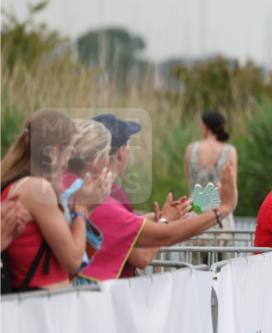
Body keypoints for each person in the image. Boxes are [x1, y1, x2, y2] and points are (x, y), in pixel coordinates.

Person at [65, 119, 238, 283]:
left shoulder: (65, 187)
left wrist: (160, 218)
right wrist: (223, 209)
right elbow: (150, 249)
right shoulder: (105, 198)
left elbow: (123, 226)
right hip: (91, 296)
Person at [0, 109, 110, 291]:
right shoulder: (38, 189)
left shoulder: (13, 183)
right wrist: (82, 208)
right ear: (53, 152)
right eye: (68, 151)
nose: (68, 160)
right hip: (42, 307)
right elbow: (73, 261)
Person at [184, 110, 238, 231]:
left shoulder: (191, 149)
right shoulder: (229, 151)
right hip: (220, 215)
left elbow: (189, 180)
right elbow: (232, 187)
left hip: (195, 214)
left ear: (205, 126)